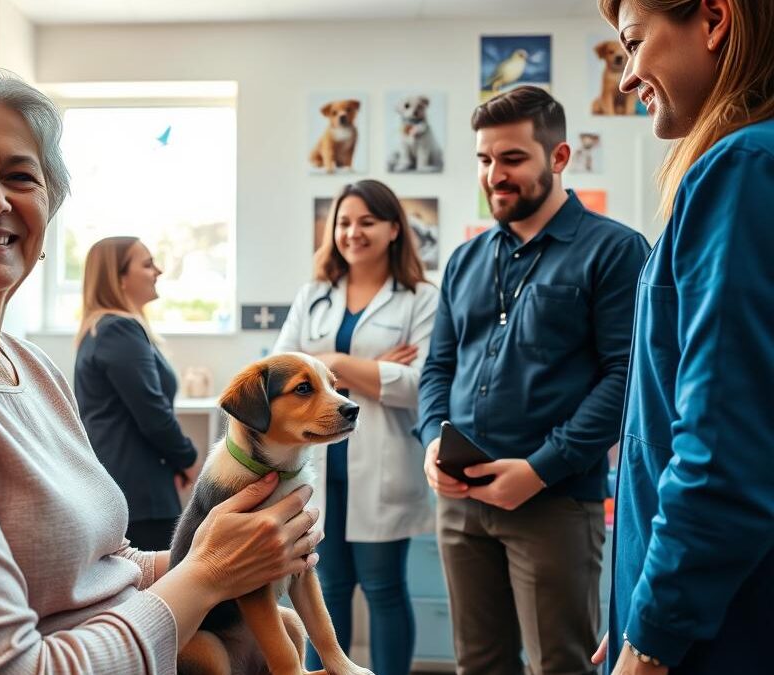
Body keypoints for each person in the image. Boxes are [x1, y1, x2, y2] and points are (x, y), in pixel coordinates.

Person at [0, 60, 321, 674]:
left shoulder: (25, 365)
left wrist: (227, 554)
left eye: (22, 177)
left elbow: (96, 567)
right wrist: (208, 574)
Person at [417, 86, 650, 675]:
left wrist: (540, 468)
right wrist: (431, 442)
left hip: (553, 503)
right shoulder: (465, 260)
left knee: (559, 665)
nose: (495, 174)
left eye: (513, 158)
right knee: (479, 663)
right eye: (485, 160)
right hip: (461, 503)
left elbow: (626, 379)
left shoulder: (614, 250)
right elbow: (438, 367)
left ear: (560, 157)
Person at [591, 1, 774, 673]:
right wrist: (641, 611)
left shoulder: (742, 169)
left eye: (634, 43)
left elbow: (722, 452)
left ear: (716, 20)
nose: (626, 77)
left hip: (728, 628)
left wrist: (652, 637)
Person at [274, 179, 438, 675]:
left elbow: (419, 383)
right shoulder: (315, 295)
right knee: (324, 587)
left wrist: (331, 362)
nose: (353, 232)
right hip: (320, 467)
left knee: (385, 588)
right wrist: (367, 367)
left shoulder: (420, 298)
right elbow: (281, 371)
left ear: (393, 229)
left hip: (383, 463)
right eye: (344, 222)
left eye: (367, 221)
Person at [74, 236, 199, 551]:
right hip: (138, 493)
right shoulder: (119, 330)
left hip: (132, 485)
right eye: (147, 264)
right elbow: (153, 412)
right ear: (119, 278)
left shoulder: (104, 329)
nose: (158, 270)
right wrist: (187, 458)